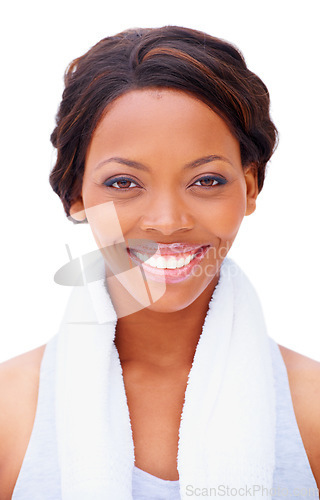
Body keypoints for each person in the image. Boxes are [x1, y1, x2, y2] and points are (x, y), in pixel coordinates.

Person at [0, 26, 319, 500]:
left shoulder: (311, 408)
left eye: (207, 180)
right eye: (124, 183)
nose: (167, 222)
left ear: (249, 188)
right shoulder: (9, 413)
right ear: (75, 194)